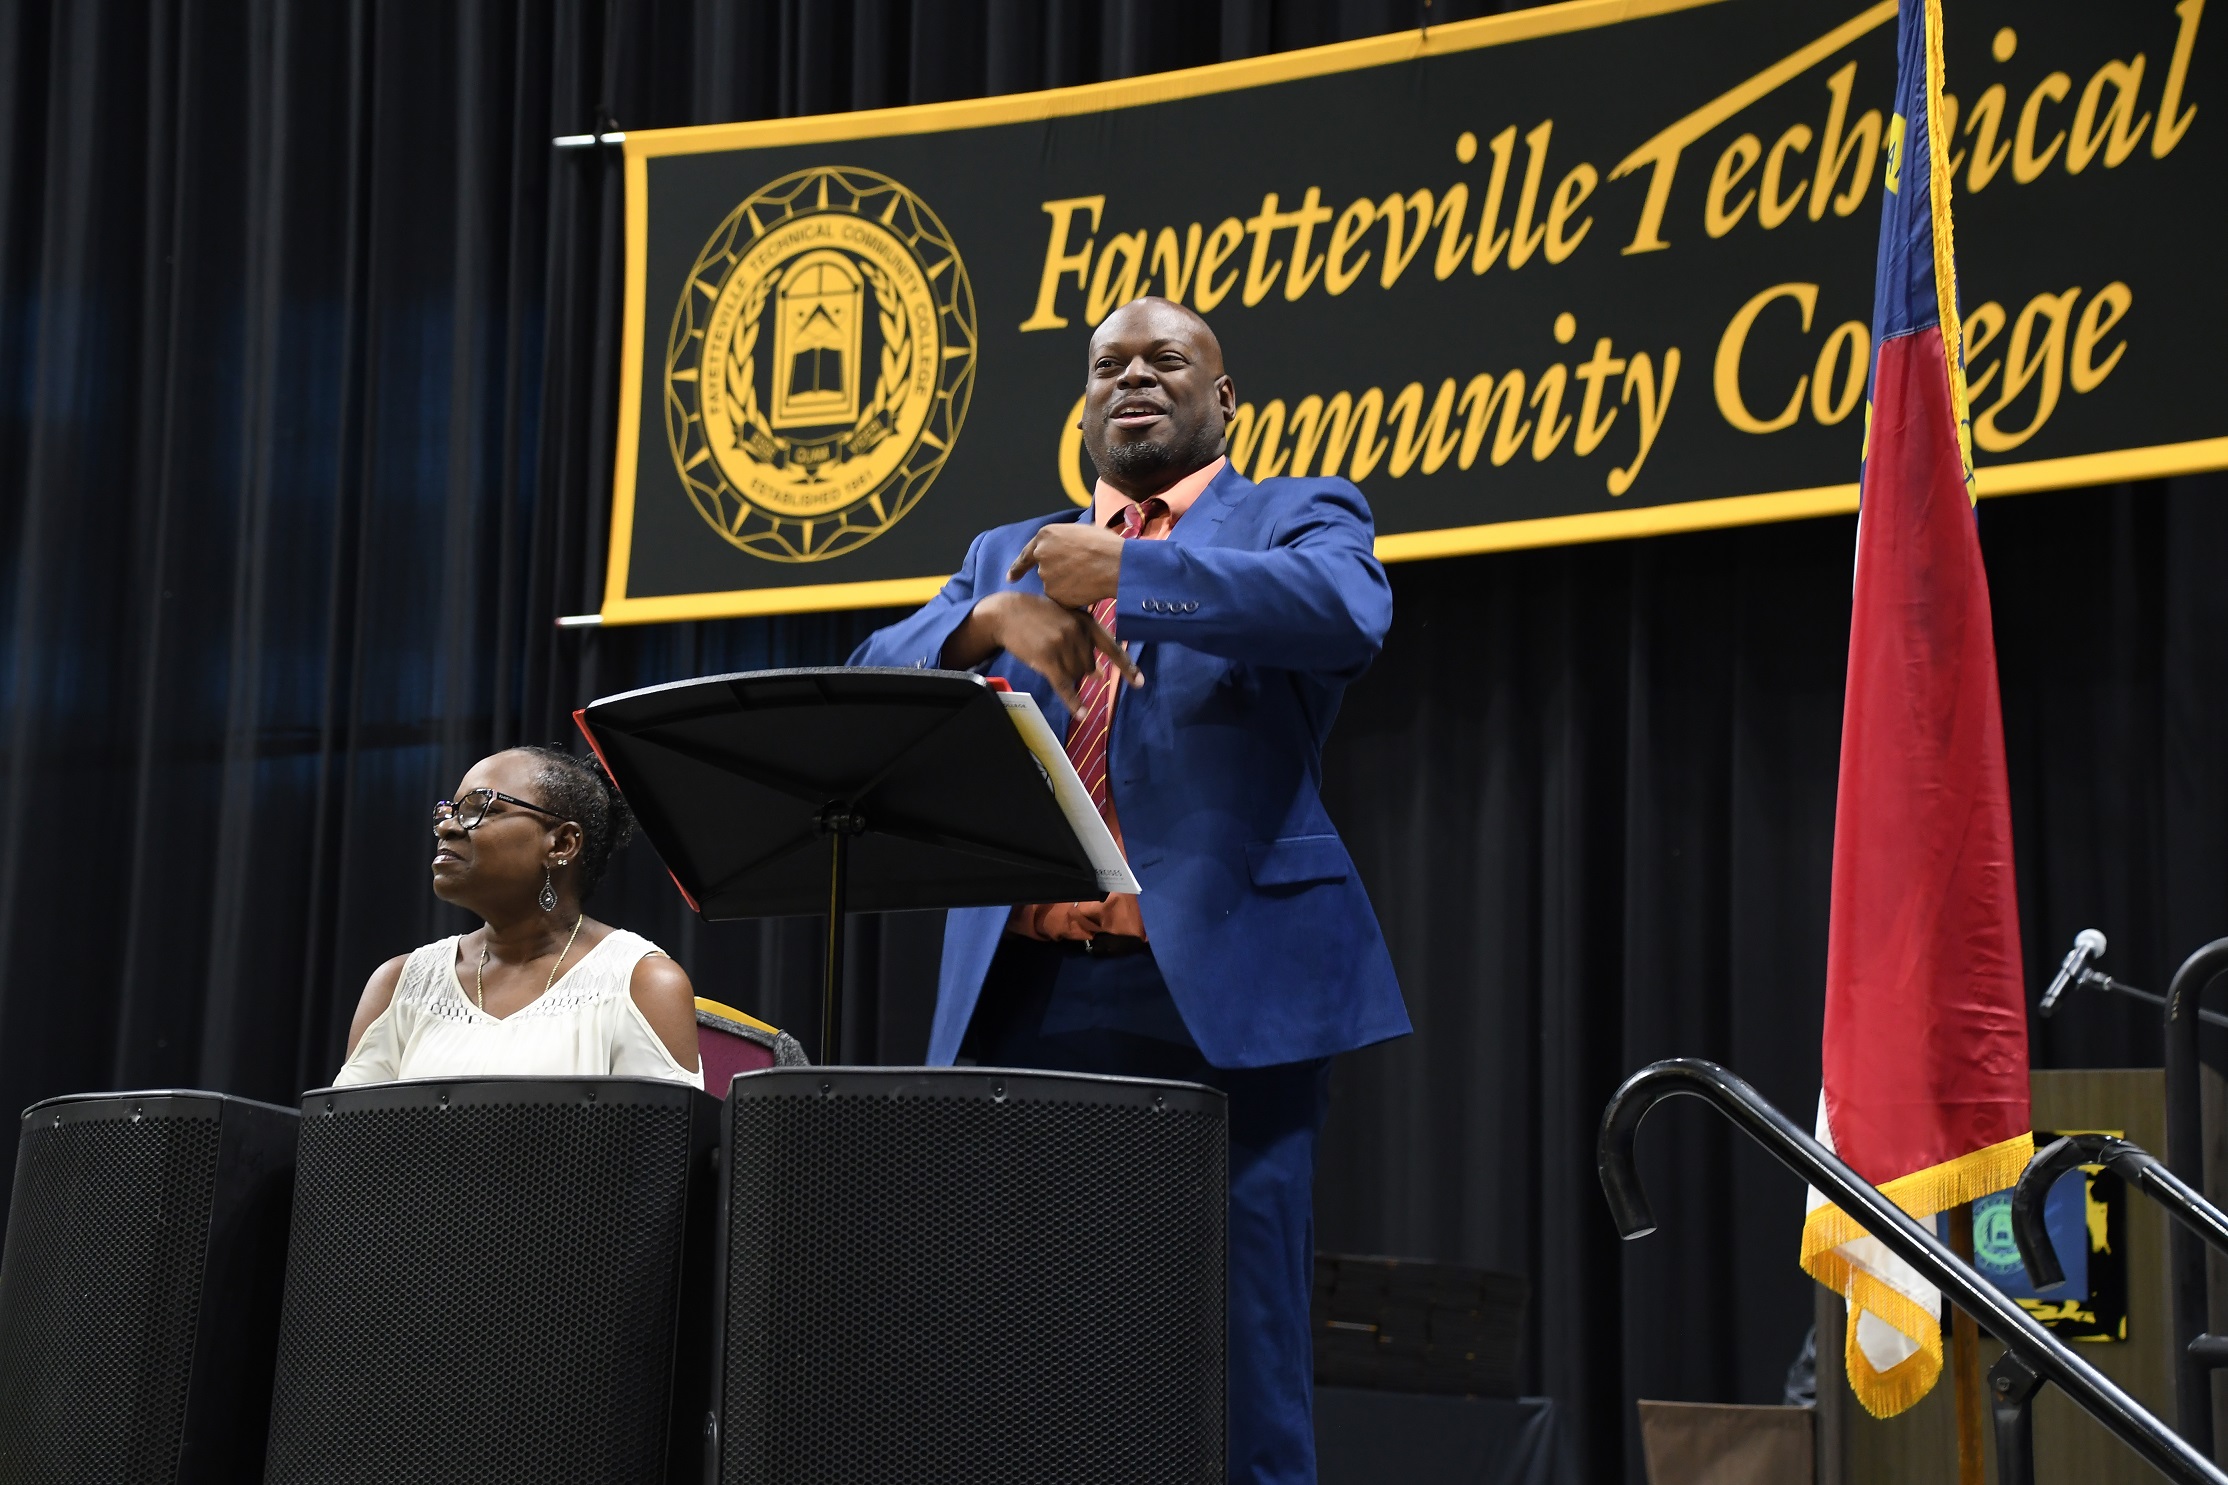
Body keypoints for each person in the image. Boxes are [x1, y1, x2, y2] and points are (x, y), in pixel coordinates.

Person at [849, 296, 1408, 1485]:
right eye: (1107, 364)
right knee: (1018, 1342)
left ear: (1225, 400)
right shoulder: (1012, 549)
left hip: (1213, 996)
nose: (1133, 378)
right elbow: (864, 676)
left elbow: (1344, 613)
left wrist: (1134, 571)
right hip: (1023, 993)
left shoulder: (1293, 514)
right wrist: (975, 621)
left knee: (1237, 1345)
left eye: (1167, 359)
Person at [335, 745, 701, 1087]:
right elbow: (347, 1144)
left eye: (482, 809)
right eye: (450, 811)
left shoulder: (643, 983)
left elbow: (657, 1149)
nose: (448, 827)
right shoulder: (400, 984)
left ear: (561, 844)